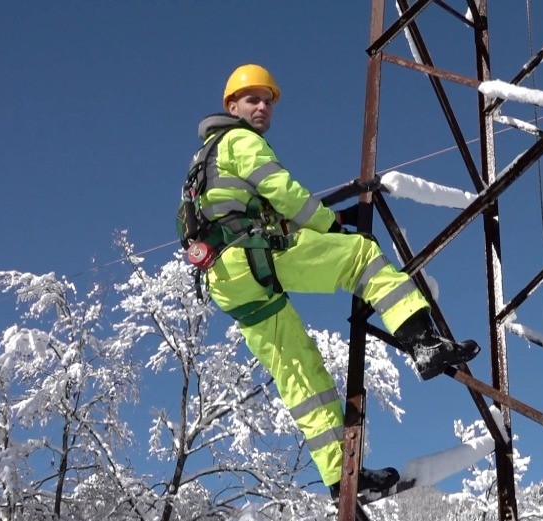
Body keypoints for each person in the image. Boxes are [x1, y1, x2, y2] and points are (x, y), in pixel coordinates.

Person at [194, 64, 480, 497]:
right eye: (252, 99)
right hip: (251, 257)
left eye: (267, 100)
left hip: (224, 280)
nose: (262, 107)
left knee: (301, 374)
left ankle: (341, 479)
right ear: (231, 106)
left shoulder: (204, 162)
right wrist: (330, 225)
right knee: (360, 256)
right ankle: (424, 343)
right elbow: (284, 193)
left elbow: (259, 212)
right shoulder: (239, 141)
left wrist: (328, 220)